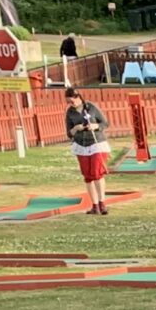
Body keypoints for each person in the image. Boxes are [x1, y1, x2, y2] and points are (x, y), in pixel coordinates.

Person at [63, 86, 111, 215]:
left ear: (78, 97)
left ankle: (102, 203)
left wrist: (95, 126)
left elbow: (105, 123)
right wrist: (75, 129)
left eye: (72, 101)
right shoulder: (70, 113)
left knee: (96, 173)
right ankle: (94, 206)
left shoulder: (90, 107)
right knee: (88, 176)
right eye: (68, 102)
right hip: (81, 145)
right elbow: (69, 133)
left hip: (96, 143)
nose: (71, 104)